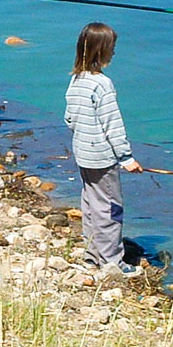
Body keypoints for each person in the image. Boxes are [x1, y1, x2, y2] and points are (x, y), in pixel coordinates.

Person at [64, 22, 143, 273]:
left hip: (83, 154)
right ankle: (112, 262)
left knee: (90, 204)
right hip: (101, 158)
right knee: (110, 207)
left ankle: (92, 255)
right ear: (102, 51)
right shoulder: (103, 84)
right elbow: (113, 125)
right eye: (112, 47)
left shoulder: (77, 80)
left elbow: (69, 118)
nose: (115, 52)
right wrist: (126, 157)